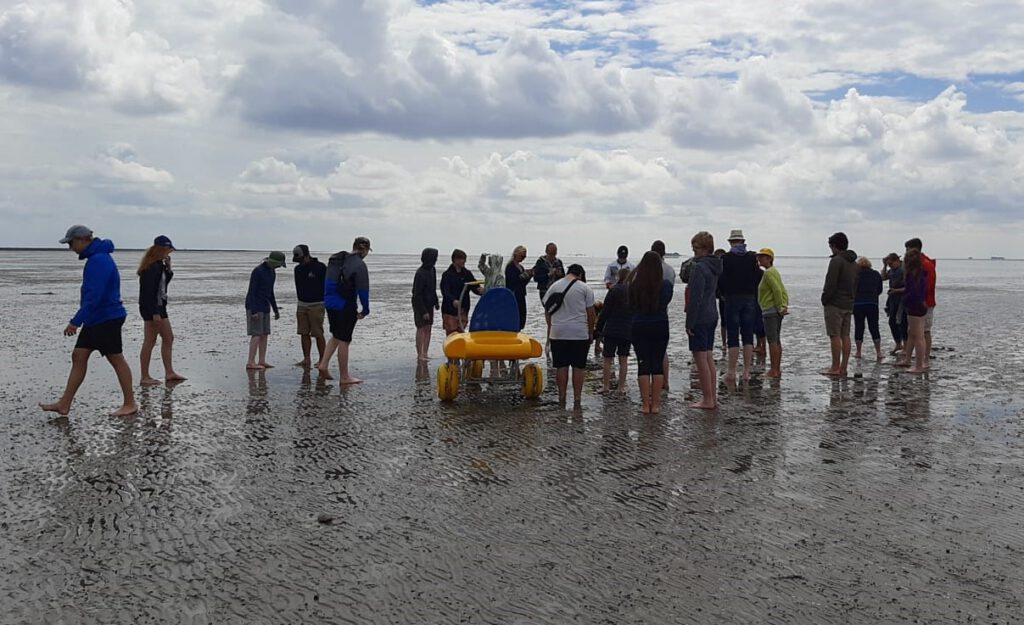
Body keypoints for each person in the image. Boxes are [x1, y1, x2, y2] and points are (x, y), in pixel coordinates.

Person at [40, 225, 137, 417]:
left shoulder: (99, 260)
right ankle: (64, 404)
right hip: (95, 318)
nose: (70, 248)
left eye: (71, 243)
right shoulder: (96, 258)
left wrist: (75, 322)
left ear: (82, 239)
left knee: (116, 358)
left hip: (107, 317)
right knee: (79, 355)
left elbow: (94, 296)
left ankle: (130, 403)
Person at [318, 237, 371, 383]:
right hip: (345, 306)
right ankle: (344, 376)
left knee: (336, 335)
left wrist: (328, 301)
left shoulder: (336, 261)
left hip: (330, 303)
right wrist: (365, 310)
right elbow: (363, 291)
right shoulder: (359, 265)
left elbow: (328, 283)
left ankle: (323, 364)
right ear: (365, 250)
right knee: (344, 340)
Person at [543, 263, 595, 406]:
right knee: (578, 367)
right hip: (579, 333)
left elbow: (547, 310)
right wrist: (591, 332)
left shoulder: (554, 286)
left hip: (558, 332)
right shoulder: (585, 288)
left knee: (561, 366)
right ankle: (577, 398)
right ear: (580, 275)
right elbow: (591, 313)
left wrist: (551, 326)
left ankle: (562, 397)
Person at [628, 251, 673, 414]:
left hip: (639, 325)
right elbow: (665, 301)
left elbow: (631, 305)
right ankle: (656, 404)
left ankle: (645, 404)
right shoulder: (666, 285)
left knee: (643, 363)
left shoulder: (633, 285)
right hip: (660, 324)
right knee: (657, 364)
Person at [138, 235, 186, 385]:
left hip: (159, 306)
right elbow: (149, 292)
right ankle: (145, 376)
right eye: (168, 250)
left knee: (168, 338)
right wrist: (154, 313)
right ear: (161, 249)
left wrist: (169, 268)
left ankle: (169, 372)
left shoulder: (159, 265)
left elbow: (164, 285)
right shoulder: (151, 267)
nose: (169, 253)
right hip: (152, 308)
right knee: (150, 341)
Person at [718, 229, 760, 382]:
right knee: (748, 336)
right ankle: (747, 372)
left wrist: (722, 293)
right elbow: (758, 275)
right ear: (743, 241)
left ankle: (731, 372)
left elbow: (721, 279)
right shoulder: (752, 257)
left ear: (730, 242)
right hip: (749, 298)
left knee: (733, 336)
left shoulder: (726, 258)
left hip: (732, 298)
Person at [686, 232, 722, 409]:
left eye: (696, 249)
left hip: (700, 317)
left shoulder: (700, 268)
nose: (694, 253)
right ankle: (712, 397)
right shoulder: (715, 266)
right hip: (712, 314)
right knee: (708, 357)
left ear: (706, 249)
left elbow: (695, 298)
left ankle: (708, 399)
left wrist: (689, 322)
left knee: (701, 358)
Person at [820, 232, 859, 377]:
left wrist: (825, 299)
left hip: (835, 303)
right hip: (848, 303)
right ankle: (843, 367)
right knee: (845, 335)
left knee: (834, 335)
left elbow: (831, 283)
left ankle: (835, 367)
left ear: (835, 246)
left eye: (830, 246)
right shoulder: (854, 263)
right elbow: (856, 284)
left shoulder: (836, 261)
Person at [245, 251, 285, 370]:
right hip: (255, 306)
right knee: (256, 334)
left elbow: (270, 292)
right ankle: (250, 362)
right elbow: (251, 291)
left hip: (265, 306)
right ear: (273, 262)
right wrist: (253, 311)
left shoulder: (272, 272)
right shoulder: (258, 271)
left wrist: (275, 309)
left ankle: (262, 360)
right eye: (279, 264)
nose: (279, 267)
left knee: (264, 334)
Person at [597, 268, 631, 395]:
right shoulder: (633, 291)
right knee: (623, 359)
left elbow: (605, 311)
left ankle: (606, 386)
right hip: (627, 329)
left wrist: (598, 328)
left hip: (612, 328)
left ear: (618, 277)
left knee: (607, 358)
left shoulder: (614, 290)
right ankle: (621, 388)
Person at [292, 244, 327, 369]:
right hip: (302, 304)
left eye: (301, 259)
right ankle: (306, 359)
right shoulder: (297, 269)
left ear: (307, 256)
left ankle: (323, 359)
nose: (300, 263)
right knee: (303, 333)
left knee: (318, 333)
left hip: (317, 305)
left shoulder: (321, 267)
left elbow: (328, 285)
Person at [755, 248, 789, 378]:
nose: (759, 259)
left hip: (770, 311)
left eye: (762, 257)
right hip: (775, 310)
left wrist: (781, 306)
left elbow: (777, 290)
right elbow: (783, 289)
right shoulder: (774, 272)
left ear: (769, 259)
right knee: (776, 340)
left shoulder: (769, 273)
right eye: (759, 257)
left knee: (772, 341)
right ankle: (777, 369)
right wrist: (784, 305)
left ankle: (774, 370)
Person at [903, 237, 936, 360]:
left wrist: (921, 300)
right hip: (916, 303)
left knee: (924, 332)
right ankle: (908, 358)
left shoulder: (925, 265)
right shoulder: (917, 265)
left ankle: (924, 360)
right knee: (911, 331)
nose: (906, 252)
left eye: (907, 249)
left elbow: (927, 286)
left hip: (924, 303)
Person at [650, 240, 676, 390]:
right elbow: (669, 291)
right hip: (662, 311)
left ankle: (655, 381)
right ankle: (665, 380)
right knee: (662, 350)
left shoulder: (645, 269)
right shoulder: (669, 270)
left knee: (648, 351)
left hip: (646, 312)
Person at [440, 249, 485, 336]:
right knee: (451, 334)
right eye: (461, 259)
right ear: (455, 260)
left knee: (461, 334)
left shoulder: (467, 273)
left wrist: (480, 290)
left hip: (463, 309)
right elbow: (445, 291)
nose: (463, 261)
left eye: (464, 259)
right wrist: (453, 301)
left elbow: (474, 285)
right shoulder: (447, 275)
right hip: (450, 310)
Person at [901, 249, 930, 374]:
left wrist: (904, 300)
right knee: (916, 335)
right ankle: (919, 363)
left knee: (917, 336)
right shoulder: (922, 274)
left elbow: (912, 293)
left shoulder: (911, 276)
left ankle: (918, 366)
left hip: (914, 307)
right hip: (921, 306)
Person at [853, 256, 884, 362]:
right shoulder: (876, 274)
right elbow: (880, 289)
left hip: (858, 304)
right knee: (874, 327)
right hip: (872, 303)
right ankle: (878, 352)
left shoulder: (855, 275)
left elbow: (852, 289)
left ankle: (858, 351)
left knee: (859, 326)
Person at [413, 248, 440, 362]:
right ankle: (420, 354)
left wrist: (436, 302)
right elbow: (416, 294)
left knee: (428, 328)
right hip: (420, 304)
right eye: (435, 257)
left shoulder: (432, 270)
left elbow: (433, 288)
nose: (436, 259)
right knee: (421, 328)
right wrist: (423, 311)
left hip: (429, 303)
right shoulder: (420, 273)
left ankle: (425, 352)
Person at [881, 253, 908, 354]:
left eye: (891, 264)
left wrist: (896, 290)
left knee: (902, 322)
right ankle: (898, 344)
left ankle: (906, 346)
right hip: (893, 299)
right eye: (888, 264)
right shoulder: (892, 270)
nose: (890, 266)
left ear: (897, 261)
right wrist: (884, 265)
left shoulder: (903, 269)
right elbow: (883, 277)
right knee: (892, 321)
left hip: (902, 299)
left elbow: (909, 287)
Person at [504, 245, 533, 331]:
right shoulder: (510, 266)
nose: (523, 258)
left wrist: (529, 276)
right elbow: (512, 280)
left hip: (521, 293)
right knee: (514, 315)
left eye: (525, 256)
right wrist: (524, 276)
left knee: (522, 315)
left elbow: (523, 283)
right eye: (522, 256)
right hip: (513, 293)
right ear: (516, 254)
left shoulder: (521, 267)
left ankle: (519, 329)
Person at [713, 248, 727, 350]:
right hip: (723, 297)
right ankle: (724, 343)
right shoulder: (716, 269)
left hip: (728, 297)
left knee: (728, 321)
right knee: (724, 321)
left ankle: (725, 343)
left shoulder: (724, 269)